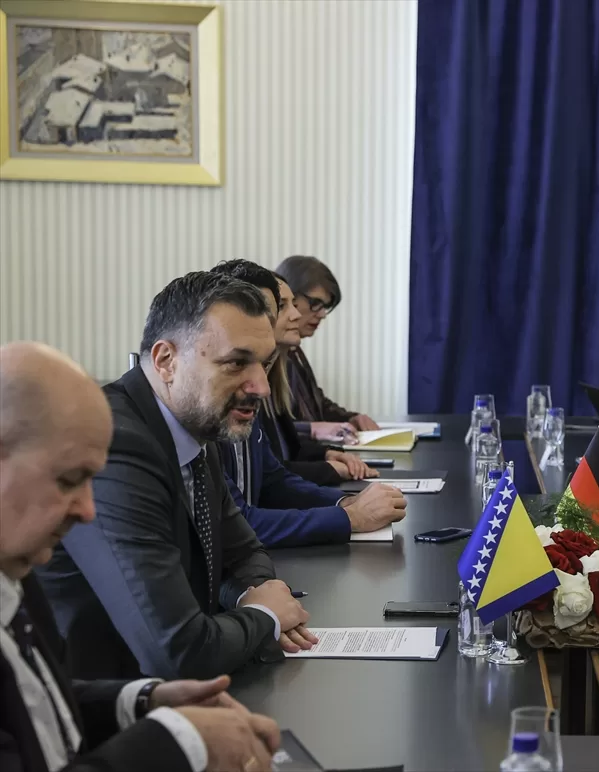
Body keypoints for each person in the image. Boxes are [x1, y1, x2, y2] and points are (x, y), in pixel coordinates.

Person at [0, 341, 283, 772]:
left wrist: (147, 700)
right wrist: (181, 742)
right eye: (69, 479)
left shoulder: (15, 573)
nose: (88, 510)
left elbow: (39, 707)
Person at [38, 272, 317, 682]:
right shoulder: (115, 445)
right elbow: (178, 653)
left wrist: (255, 593)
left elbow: (244, 553)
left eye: (265, 363)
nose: (260, 386)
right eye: (236, 363)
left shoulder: (195, 424)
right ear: (166, 360)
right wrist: (264, 616)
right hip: (104, 703)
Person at [209, 260, 408, 548]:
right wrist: (349, 517)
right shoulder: (210, 404)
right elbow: (238, 524)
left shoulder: (256, 385)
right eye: (280, 307)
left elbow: (272, 479)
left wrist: (347, 502)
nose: (294, 315)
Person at [275, 255, 380, 435]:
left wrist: (351, 418)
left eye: (325, 306)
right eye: (315, 303)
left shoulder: (294, 350)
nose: (322, 314)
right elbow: (268, 429)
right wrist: (313, 429)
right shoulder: (266, 356)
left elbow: (317, 405)